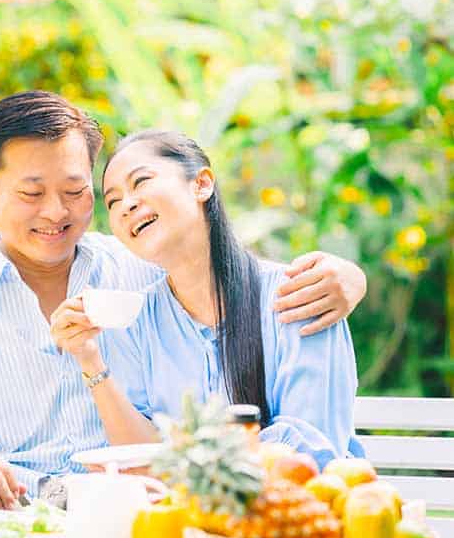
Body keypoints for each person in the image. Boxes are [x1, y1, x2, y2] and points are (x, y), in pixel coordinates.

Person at [0, 92, 367, 509]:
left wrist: (348, 276)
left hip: (128, 516)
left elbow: (211, 261)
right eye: (31, 193)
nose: (56, 212)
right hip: (10, 518)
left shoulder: (138, 267)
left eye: (76, 191)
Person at [50, 129, 363, 469]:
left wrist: (179, 460)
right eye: (112, 201)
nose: (127, 204)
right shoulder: (134, 322)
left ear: (201, 184)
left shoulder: (301, 294)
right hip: (186, 518)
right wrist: (89, 359)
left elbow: (309, 451)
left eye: (141, 181)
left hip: (293, 513)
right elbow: (136, 461)